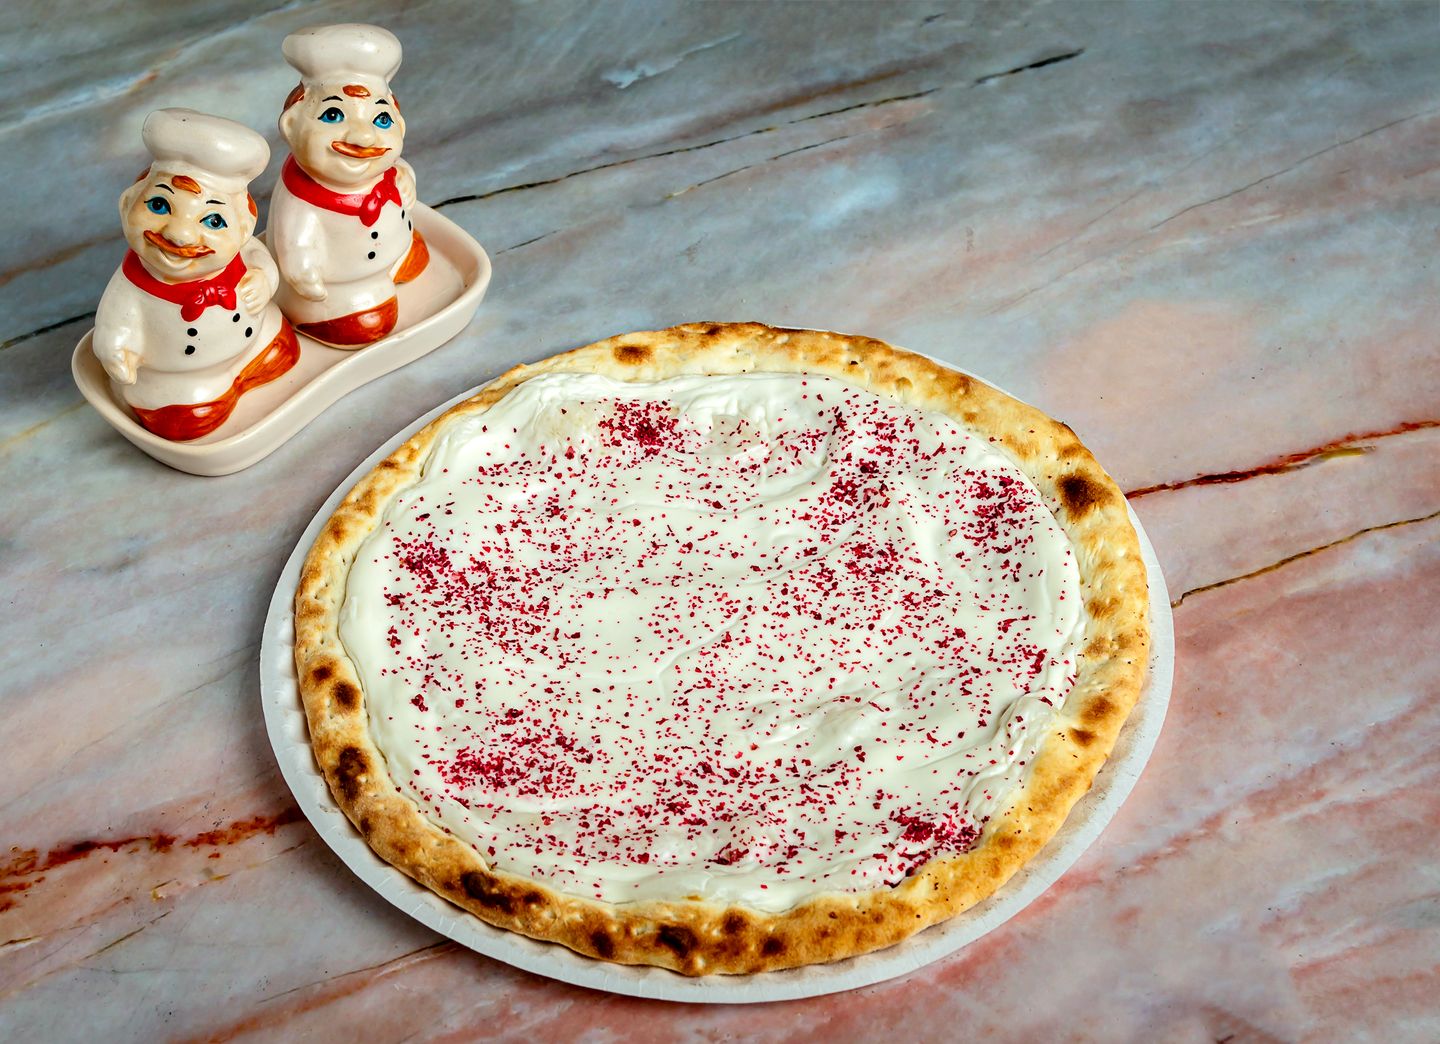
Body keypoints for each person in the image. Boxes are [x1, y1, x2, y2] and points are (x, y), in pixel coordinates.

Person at [93, 109, 297, 441]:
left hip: (252, 339)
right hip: (182, 374)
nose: (179, 235)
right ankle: (201, 397)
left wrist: (264, 277)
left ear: (245, 228)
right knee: (186, 418)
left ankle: (242, 370)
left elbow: (261, 259)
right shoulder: (132, 285)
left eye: (213, 220)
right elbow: (114, 323)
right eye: (159, 205)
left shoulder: (244, 250)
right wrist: (115, 349)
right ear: (127, 204)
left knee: (282, 346)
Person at [268, 23, 427, 348]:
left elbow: (397, 169)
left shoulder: (385, 169)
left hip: (393, 250)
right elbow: (295, 242)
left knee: (416, 254)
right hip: (340, 285)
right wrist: (302, 270)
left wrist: (405, 175)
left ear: (399, 125)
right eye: (333, 115)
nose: (364, 137)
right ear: (292, 125)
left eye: (381, 120)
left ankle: (397, 262)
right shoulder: (300, 198)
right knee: (366, 324)